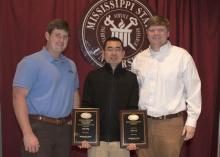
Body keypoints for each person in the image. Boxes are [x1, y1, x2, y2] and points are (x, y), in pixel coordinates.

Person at [131, 15, 201, 157]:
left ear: (168, 33)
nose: (156, 33)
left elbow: (194, 90)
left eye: (161, 30)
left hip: (171, 124)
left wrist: (191, 121)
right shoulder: (139, 58)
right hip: (143, 123)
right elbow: (134, 91)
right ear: (147, 33)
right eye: (152, 30)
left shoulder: (182, 56)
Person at [13, 19, 80, 157]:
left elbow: (74, 94)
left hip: (64, 130)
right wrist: (27, 133)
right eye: (57, 35)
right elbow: (18, 97)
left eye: (65, 36)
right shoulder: (31, 62)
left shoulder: (71, 65)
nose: (61, 40)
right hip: (39, 128)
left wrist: (76, 124)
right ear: (47, 36)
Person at [80, 37, 139, 157]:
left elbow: (133, 109)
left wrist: (132, 137)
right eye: (109, 49)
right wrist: (85, 136)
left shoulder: (131, 78)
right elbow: (86, 107)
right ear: (103, 53)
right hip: (96, 142)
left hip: (121, 143)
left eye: (118, 49)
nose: (113, 53)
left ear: (123, 54)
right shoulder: (92, 77)